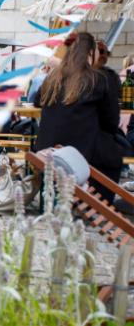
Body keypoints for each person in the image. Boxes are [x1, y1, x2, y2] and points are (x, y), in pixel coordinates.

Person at [35, 32, 123, 204]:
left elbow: (38, 101)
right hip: (77, 151)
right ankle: (98, 202)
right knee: (113, 155)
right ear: (91, 53)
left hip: (45, 147)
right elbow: (111, 121)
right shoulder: (98, 79)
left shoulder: (53, 77)